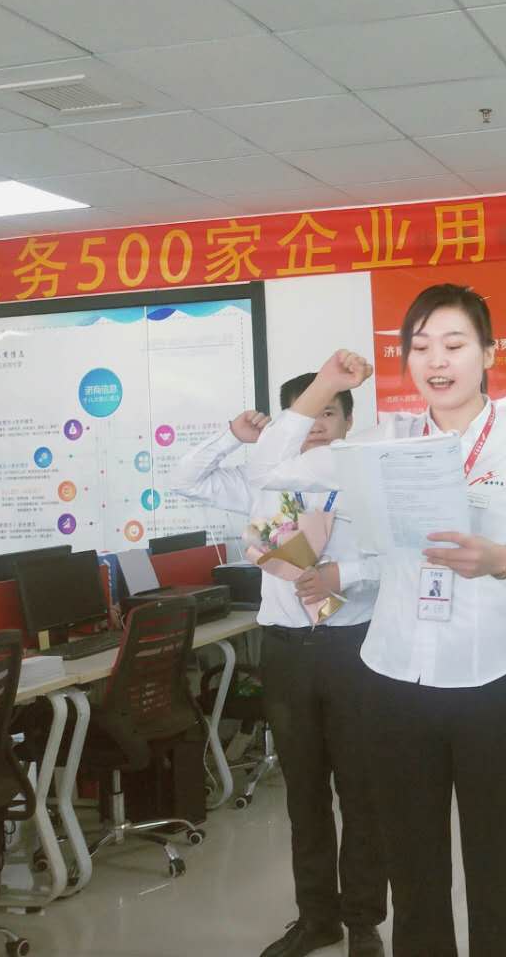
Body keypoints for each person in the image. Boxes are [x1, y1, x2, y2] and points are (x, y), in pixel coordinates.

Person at [244, 284, 506, 957]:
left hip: (495, 688)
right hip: (394, 687)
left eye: (454, 344)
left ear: (488, 354)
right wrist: (325, 386)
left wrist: (502, 561)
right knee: (415, 877)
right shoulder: (381, 442)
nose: (437, 360)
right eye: (420, 347)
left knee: (497, 875)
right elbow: (268, 468)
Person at [167, 376, 386, 957]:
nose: (316, 424)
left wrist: (344, 575)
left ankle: (364, 920)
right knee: (303, 794)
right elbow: (183, 479)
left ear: (349, 421)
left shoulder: (367, 480)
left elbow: (399, 561)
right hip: (287, 651)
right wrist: (231, 436)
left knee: (362, 792)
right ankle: (317, 919)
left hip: (355, 648)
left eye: (329, 412)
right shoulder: (263, 481)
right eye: (304, 413)